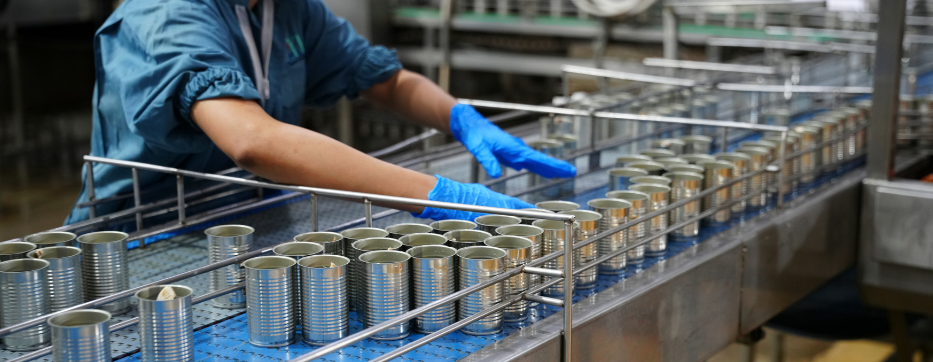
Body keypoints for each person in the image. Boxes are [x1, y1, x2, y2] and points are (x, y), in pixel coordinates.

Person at [67, 0, 576, 225]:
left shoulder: (287, 9)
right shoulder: (167, 13)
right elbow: (253, 142)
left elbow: (385, 80)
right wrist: (435, 193)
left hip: (247, 221)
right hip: (142, 238)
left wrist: (461, 117)